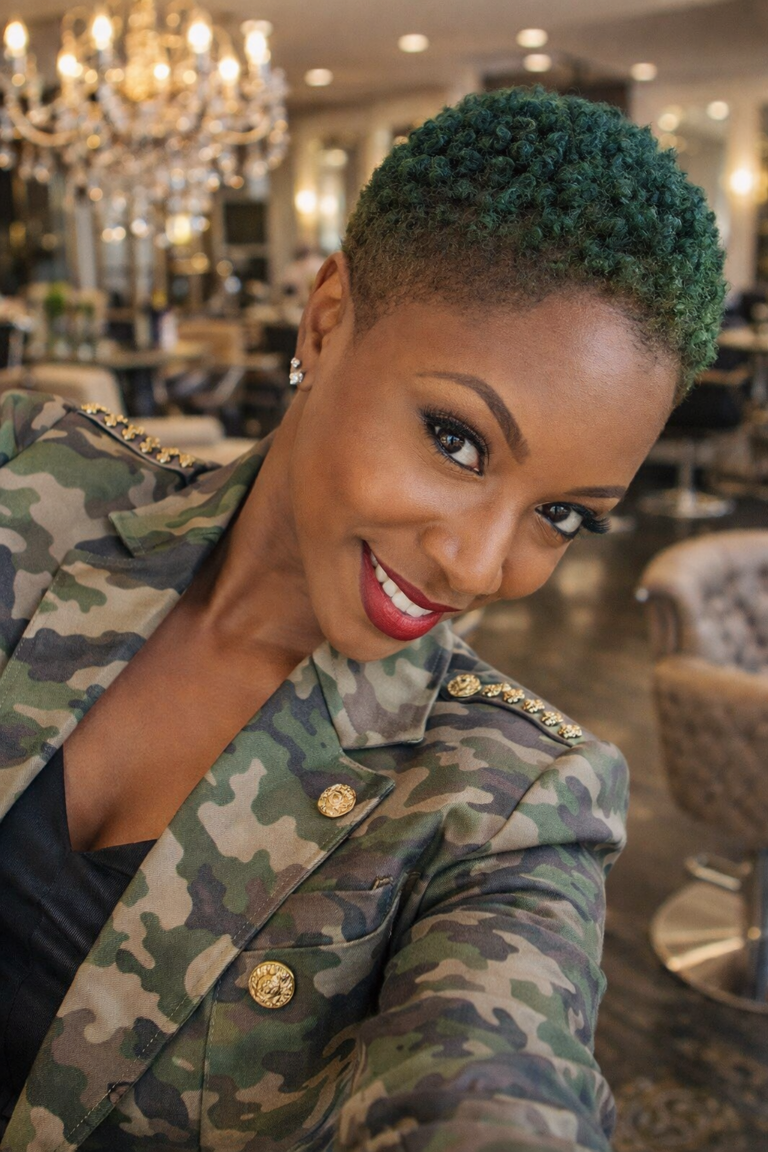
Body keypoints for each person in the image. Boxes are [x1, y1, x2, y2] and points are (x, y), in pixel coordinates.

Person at [0, 87, 724, 1152]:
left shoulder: (507, 803)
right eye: (458, 441)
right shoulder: (32, 478)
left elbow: (495, 1080)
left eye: (562, 515)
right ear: (329, 319)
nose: (479, 565)